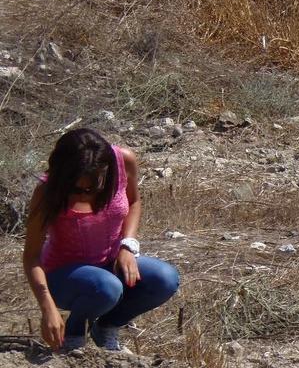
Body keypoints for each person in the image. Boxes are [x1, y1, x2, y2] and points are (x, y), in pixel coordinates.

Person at [22, 128, 180, 354]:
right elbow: (31, 257)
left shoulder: (123, 161)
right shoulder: (47, 191)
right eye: (76, 189)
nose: (84, 196)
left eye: (92, 188)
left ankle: (106, 327)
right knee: (107, 287)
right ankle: (73, 332)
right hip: (65, 275)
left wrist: (128, 245)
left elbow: (134, 202)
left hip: (110, 261)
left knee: (165, 278)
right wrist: (47, 308)